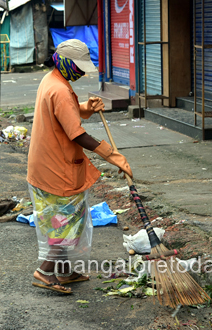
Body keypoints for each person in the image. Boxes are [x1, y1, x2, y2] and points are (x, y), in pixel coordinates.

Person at [27, 39, 133, 294]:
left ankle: (63, 272)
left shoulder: (52, 81)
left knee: (64, 219)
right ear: (64, 62)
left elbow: (64, 114)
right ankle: (44, 271)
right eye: (79, 67)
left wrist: (85, 108)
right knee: (65, 222)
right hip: (56, 168)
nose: (82, 72)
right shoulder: (60, 89)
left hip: (46, 165)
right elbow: (76, 134)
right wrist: (112, 155)